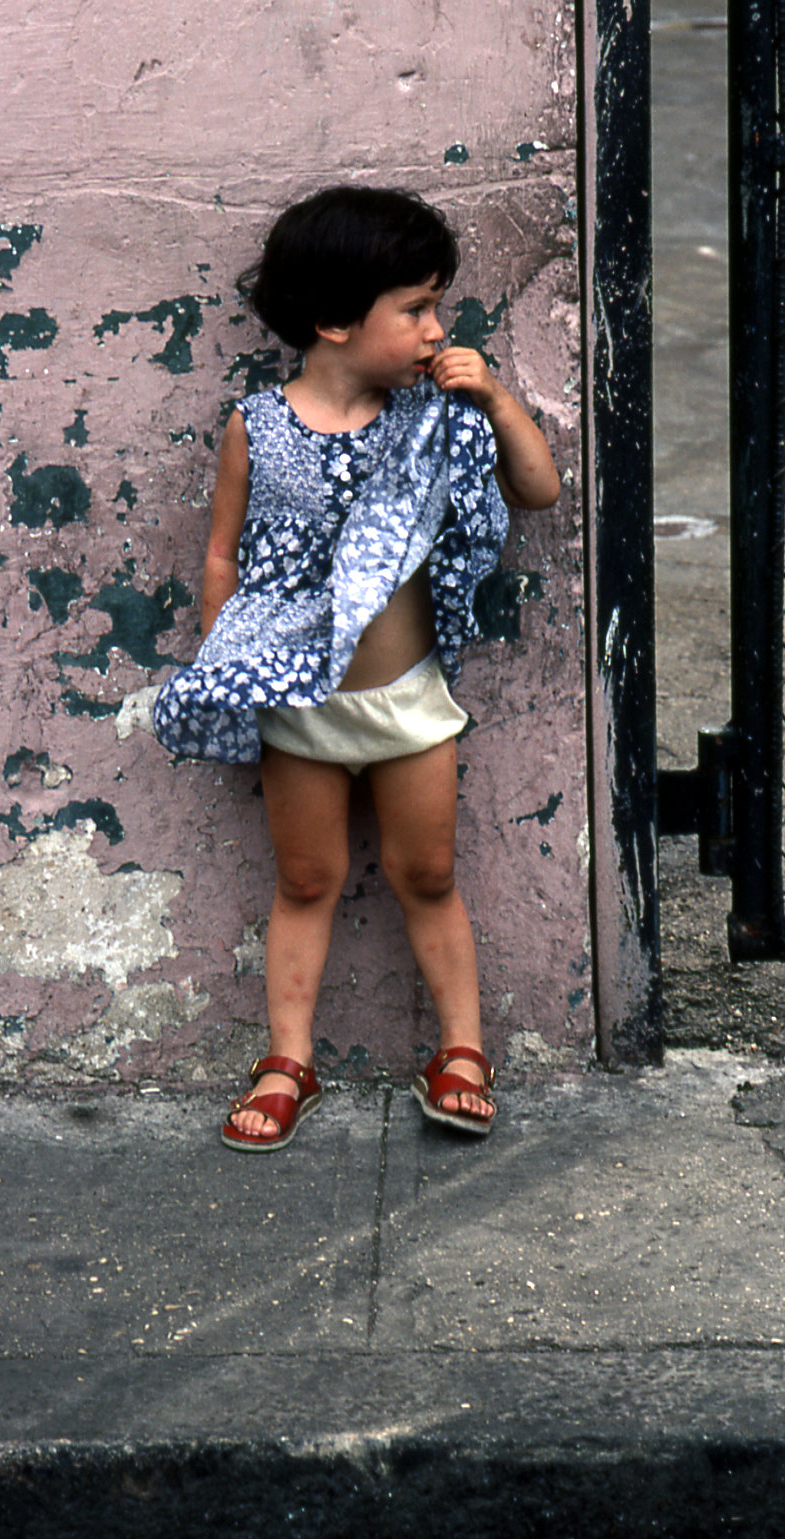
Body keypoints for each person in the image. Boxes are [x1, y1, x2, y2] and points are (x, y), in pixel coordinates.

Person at [153, 185, 561, 1151]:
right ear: (335, 322)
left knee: (428, 871)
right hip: (299, 703)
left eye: (436, 305)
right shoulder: (259, 425)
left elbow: (537, 490)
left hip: (410, 705)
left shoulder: (434, 422)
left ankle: (462, 1049)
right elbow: (224, 552)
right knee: (307, 879)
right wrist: (225, 658)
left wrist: (495, 396)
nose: (436, 328)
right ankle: (288, 1058)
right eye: (415, 308)